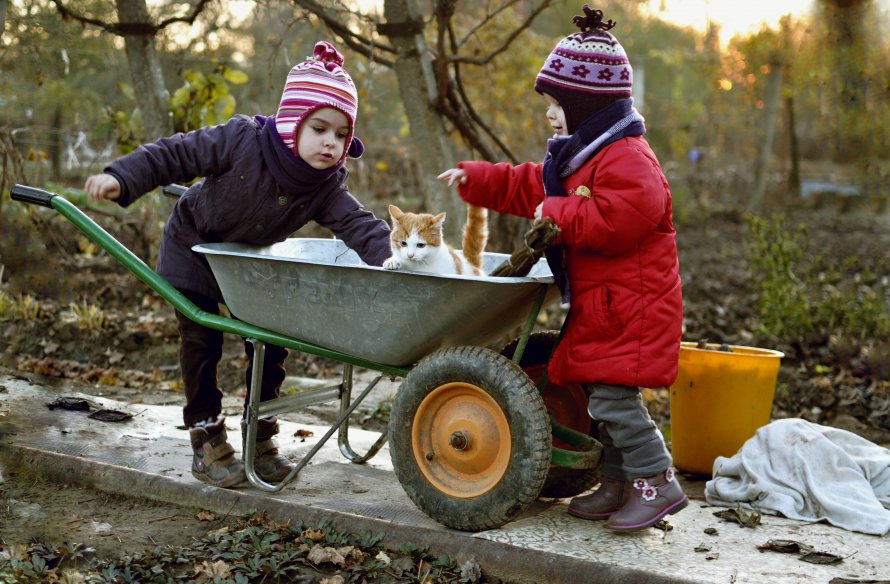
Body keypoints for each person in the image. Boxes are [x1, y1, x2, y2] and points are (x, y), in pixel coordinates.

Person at [85, 41, 392, 488]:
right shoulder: (241, 140)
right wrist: (122, 177)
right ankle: (205, 433)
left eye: (341, 135)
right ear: (292, 123)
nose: (331, 142)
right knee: (202, 339)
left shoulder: (325, 186)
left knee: (269, 340)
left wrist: (401, 261)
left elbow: (359, 225)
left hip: (246, 261)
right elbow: (175, 154)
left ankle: (260, 432)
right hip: (196, 247)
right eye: (319, 127)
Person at [438, 6, 686, 532]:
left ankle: (657, 482)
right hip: (605, 307)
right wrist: (476, 180)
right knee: (603, 399)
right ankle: (619, 484)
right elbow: (531, 185)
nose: (550, 116)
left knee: (616, 403)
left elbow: (621, 218)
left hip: (632, 309)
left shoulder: (628, 158)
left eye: (557, 105)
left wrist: (556, 212)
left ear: (590, 107)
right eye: (548, 104)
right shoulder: (579, 159)